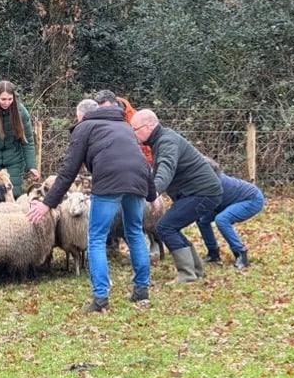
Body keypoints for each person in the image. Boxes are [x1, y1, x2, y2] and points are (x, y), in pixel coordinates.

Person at [27, 99, 157, 312]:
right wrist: (152, 195)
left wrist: (47, 204)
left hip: (109, 182)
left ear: (80, 116)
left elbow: (69, 170)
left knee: (96, 237)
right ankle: (141, 290)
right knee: (134, 231)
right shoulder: (124, 126)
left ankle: (100, 298)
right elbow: (141, 161)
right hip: (137, 180)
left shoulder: (84, 127)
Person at [131, 109, 223, 283]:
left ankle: (187, 274)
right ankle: (196, 270)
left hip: (203, 193)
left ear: (149, 126)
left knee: (165, 226)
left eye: (135, 129)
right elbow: (158, 170)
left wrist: (154, 192)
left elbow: (166, 167)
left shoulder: (166, 142)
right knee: (169, 226)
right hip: (196, 193)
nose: (134, 133)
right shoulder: (161, 140)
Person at [198, 157, 265, 268]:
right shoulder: (208, 182)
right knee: (202, 220)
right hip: (228, 201)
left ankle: (241, 254)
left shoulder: (215, 183)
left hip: (252, 199)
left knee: (222, 219)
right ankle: (213, 253)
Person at [93, 89, 153, 165]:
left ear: (115, 104)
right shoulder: (96, 118)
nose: (105, 113)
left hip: (135, 163)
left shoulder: (135, 119)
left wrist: (145, 166)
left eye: (107, 110)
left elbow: (146, 148)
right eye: (101, 110)